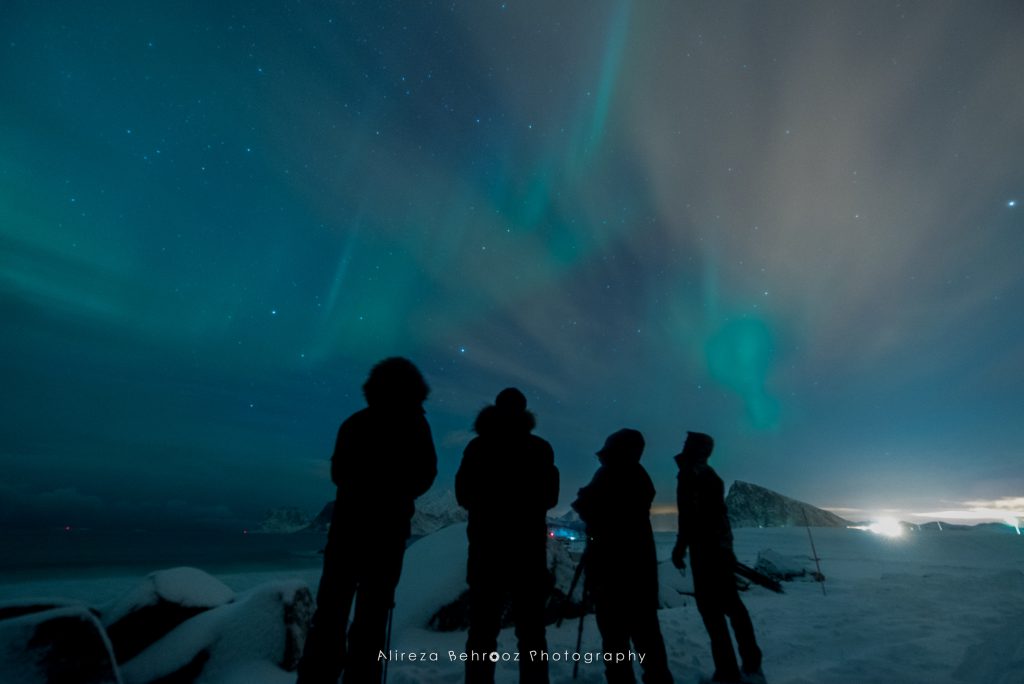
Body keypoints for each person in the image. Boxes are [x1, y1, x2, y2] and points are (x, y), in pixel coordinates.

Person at [297, 357, 438, 684]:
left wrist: (364, 488)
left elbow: (338, 474)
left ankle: (316, 678)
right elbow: (426, 475)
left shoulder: (355, 423)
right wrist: (398, 493)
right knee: (372, 620)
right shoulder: (416, 425)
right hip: (387, 534)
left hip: (347, 531)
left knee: (330, 615)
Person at [455, 388, 559, 684]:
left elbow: (463, 494)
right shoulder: (540, 448)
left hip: (485, 552)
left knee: (482, 631)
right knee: (532, 632)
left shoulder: (477, 448)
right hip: (528, 553)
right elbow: (551, 497)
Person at [572, 429, 674, 684]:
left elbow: (591, 509)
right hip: (638, 569)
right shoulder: (638, 477)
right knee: (646, 633)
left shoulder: (612, 475)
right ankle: (658, 678)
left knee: (616, 637)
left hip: (611, 569)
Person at [672, 432, 763, 684]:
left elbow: (691, 516)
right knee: (730, 609)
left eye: (687, 444)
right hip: (715, 551)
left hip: (708, 554)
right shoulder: (704, 475)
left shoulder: (695, 475)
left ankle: (729, 670)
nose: (683, 447)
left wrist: (681, 547)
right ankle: (748, 664)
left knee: (715, 613)